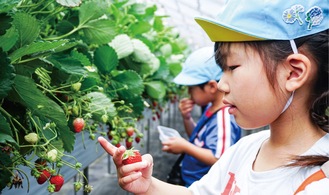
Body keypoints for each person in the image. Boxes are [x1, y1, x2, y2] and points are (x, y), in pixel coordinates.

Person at [98, 0, 329, 194]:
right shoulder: (247, 148)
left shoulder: (319, 182)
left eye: (232, 66)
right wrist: (149, 186)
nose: (221, 84)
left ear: (293, 72)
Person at [162, 46, 241, 187]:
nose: (188, 92)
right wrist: (187, 118)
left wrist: (185, 147)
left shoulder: (224, 118)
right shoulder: (211, 109)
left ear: (211, 87)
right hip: (192, 181)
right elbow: (198, 139)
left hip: (204, 186)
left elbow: (219, 158)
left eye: (191, 88)